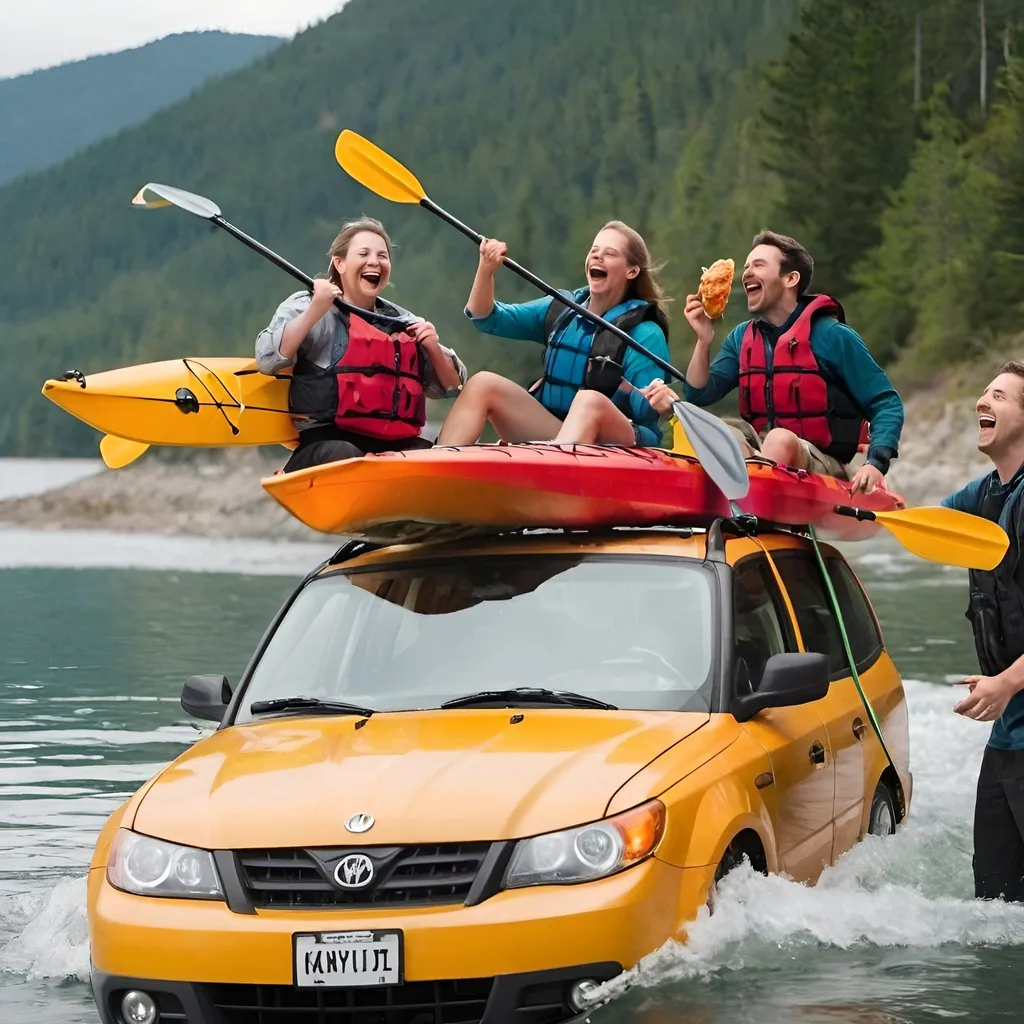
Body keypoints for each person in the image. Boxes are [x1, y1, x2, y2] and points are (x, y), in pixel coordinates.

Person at [641, 230, 904, 494]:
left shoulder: (832, 336)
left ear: (791, 278)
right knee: (712, 431)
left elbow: (886, 403)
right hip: (762, 454)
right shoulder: (742, 338)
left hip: (822, 464)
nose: (746, 273)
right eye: (746, 267)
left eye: (759, 265)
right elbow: (699, 393)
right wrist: (704, 339)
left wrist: (876, 464)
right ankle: (734, 498)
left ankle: (748, 501)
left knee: (779, 440)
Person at [256, 217, 466, 472]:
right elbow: (267, 359)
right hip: (329, 444)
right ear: (340, 263)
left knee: (437, 456)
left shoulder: (403, 321)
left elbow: (453, 387)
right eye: (364, 253)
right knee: (348, 455)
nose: (374, 261)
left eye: (382, 256)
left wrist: (432, 346)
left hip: (393, 446)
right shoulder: (308, 305)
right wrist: (314, 311)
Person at [436, 221, 670, 447]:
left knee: (589, 401)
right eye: (594, 250)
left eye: (610, 253)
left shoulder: (645, 333)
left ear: (632, 271)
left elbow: (644, 412)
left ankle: (550, 477)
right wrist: (486, 269)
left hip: (615, 444)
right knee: (482, 384)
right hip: (558, 436)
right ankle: (437, 469)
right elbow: (484, 317)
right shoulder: (561, 309)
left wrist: (659, 401)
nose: (597, 256)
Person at [942, 361, 1024, 902]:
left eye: (999, 395)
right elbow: (917, 522)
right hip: (1009, 735)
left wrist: (1008, 682)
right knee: (994, 906)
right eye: (983, 392)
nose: (982, 402)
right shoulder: (987, 493)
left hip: (1013, 703)